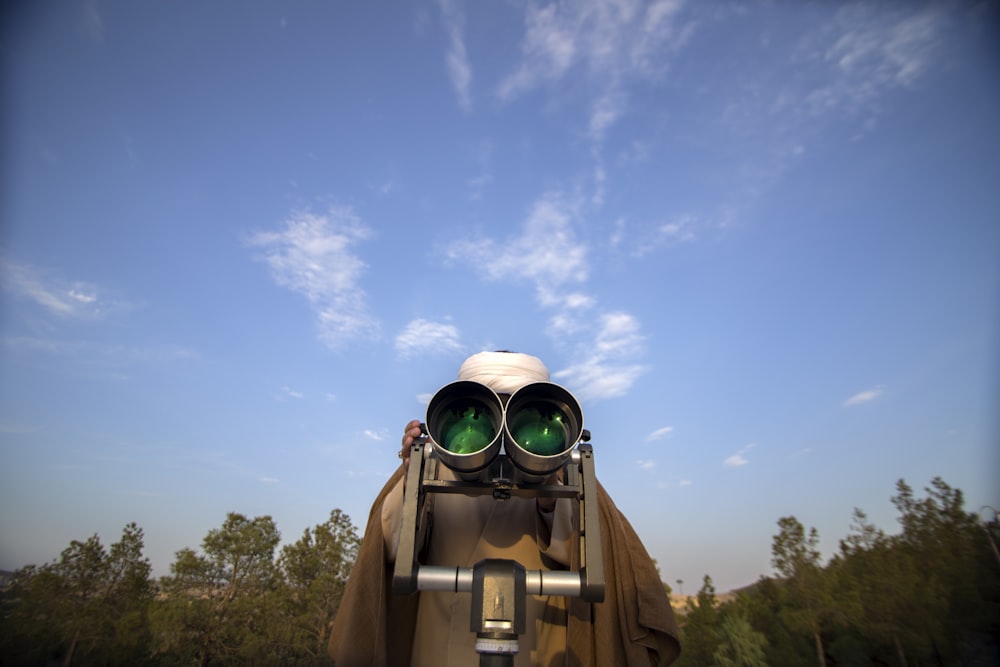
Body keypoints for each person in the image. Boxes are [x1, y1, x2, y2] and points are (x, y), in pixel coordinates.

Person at [328, 351, 680, 666]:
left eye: (519, 410)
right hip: (438, 647)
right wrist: (412, 477)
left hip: (539, 647)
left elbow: (586, 555)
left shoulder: (566, 473)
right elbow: (389, 549)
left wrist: (549, 488)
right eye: (484, 409)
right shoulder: (435, 465)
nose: (502, 429)